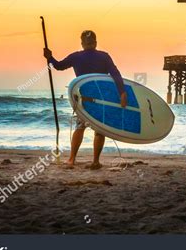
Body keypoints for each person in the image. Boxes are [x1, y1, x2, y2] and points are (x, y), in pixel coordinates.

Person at [43, 30, 127, 170]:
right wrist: (122, 93)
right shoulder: (104, 57)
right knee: (99, 130)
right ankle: (95, 161)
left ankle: (71, 159)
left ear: (82, 43)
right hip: (101, 100)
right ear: (95, 42)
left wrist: (50, 57)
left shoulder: (76, 56)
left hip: (84, 100)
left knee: (80, 127)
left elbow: (58, 66)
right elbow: (115, 74)